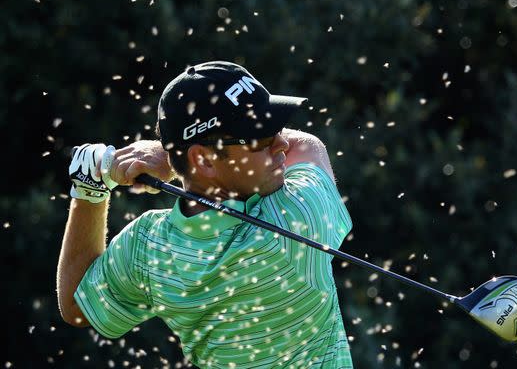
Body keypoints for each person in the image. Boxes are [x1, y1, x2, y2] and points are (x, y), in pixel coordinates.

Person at [56, 61, 354, 368]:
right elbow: (308, 146)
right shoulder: (298, 216)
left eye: (275, 128)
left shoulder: (148, 248)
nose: (282, 142)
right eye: (261, 138)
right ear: (205, 161)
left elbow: (75, 306)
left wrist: (90, 186)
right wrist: (168, 154)